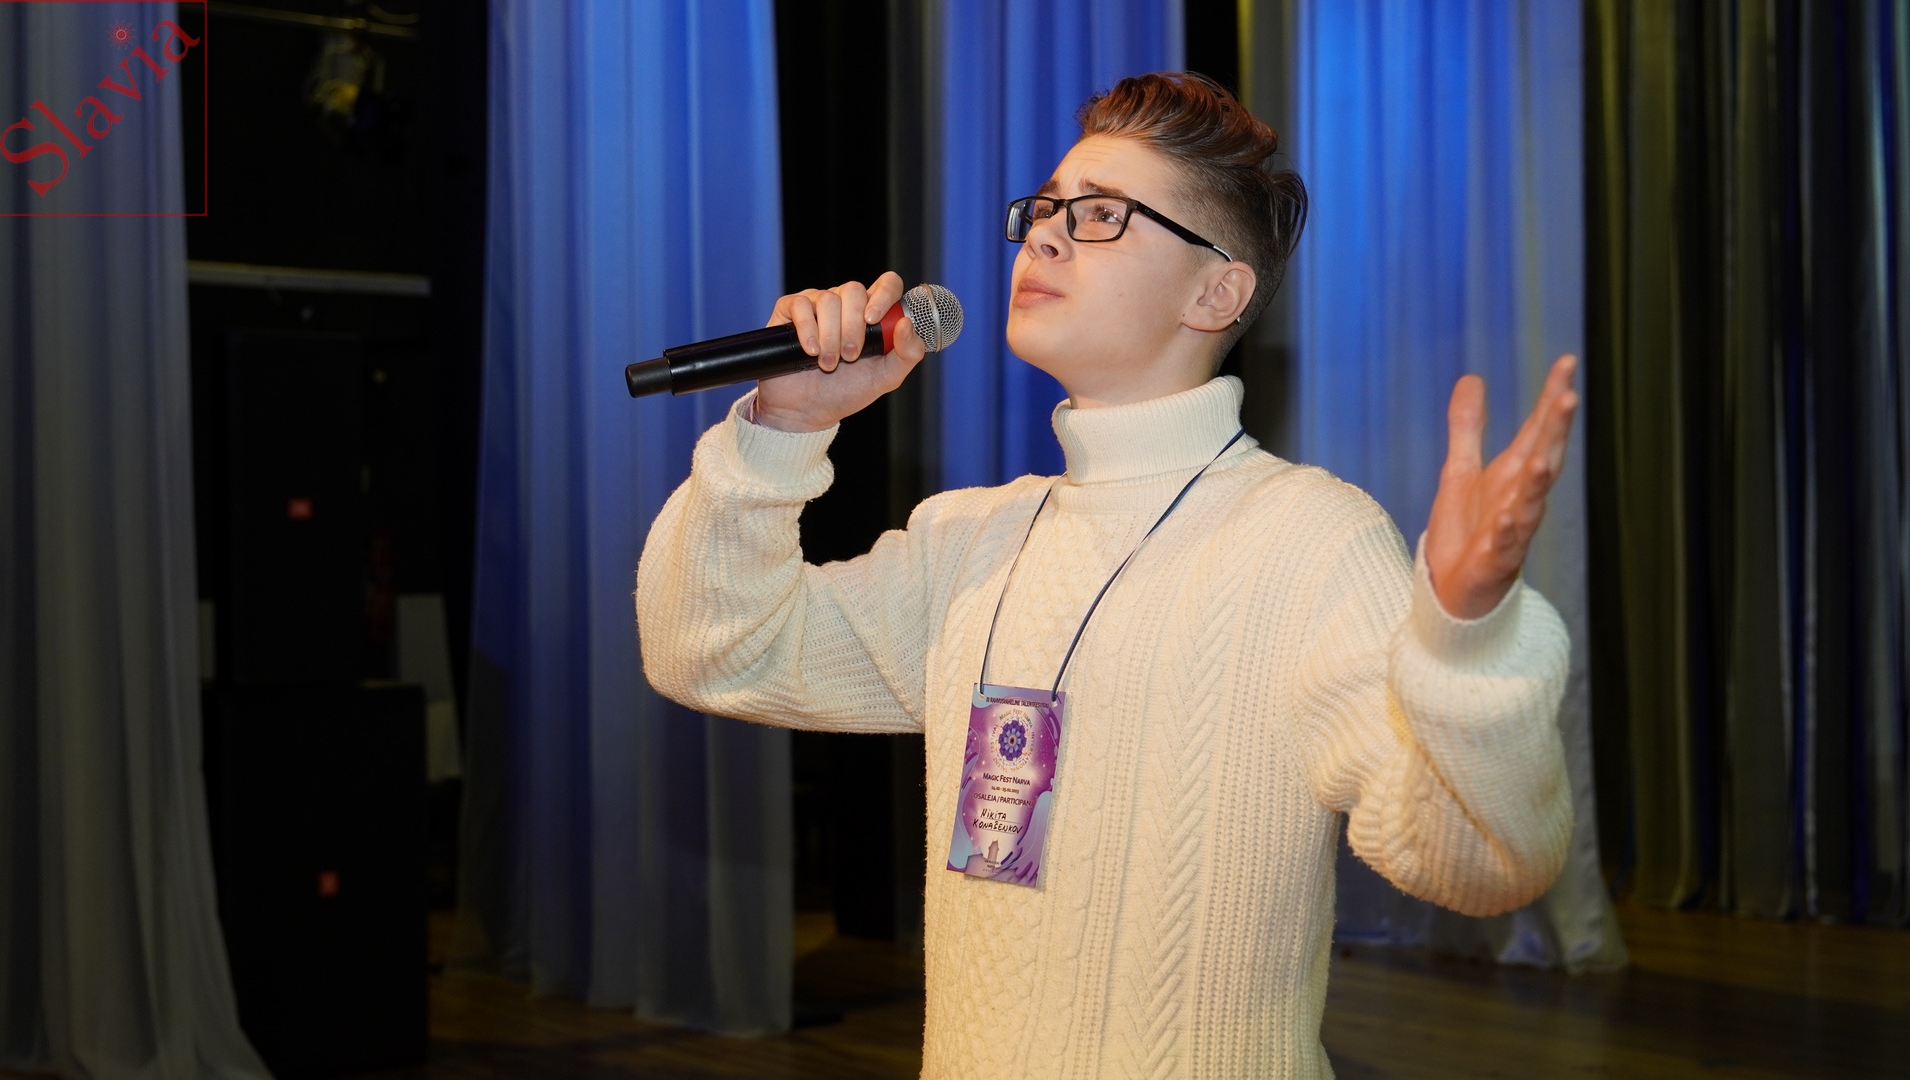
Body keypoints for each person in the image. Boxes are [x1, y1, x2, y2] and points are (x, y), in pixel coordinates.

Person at [637, 72, 1577, 1080]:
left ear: (1216, 292)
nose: (1043, 236)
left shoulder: (1309, 540)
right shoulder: (970, 539)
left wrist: (1464, 639)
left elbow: (1482, 865)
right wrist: (781, 429)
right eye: (1044, 210)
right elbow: (712, 654)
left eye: (1099, 216)